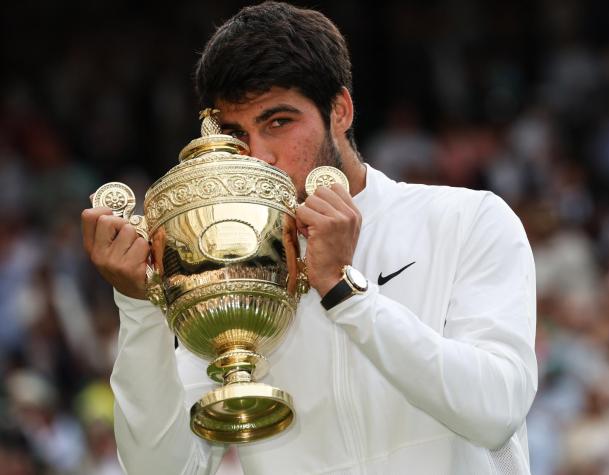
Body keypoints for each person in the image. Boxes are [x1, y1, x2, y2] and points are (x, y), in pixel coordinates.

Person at [80, 2, 537, 474]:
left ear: (339, 111)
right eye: (237, 135)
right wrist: (139, 308)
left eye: (279, 123)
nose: (260, 156)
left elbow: (496, 410)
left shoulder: (467, 219)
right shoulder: (228, 268)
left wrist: (345, 293)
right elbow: (162, 469)